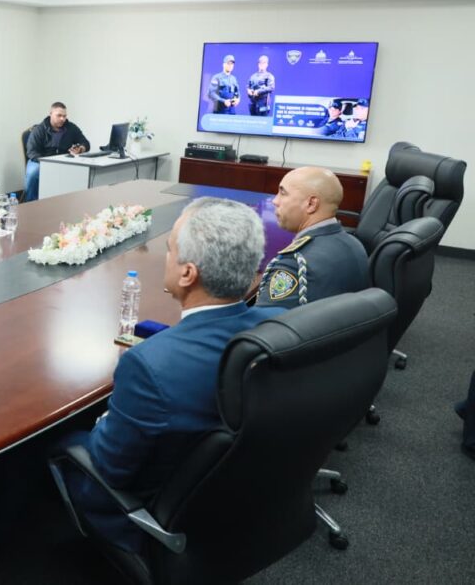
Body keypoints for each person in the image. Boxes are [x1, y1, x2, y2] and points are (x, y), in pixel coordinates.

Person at [58, 198, 283, 553]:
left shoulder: (149, 367)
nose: (166, 256)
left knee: (54, 441)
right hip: (239, 499)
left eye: (169, 249)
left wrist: (101, 419)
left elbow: (110, 466)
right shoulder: (280, 325)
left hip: (154, 515)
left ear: (187, 273)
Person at [255, 166, 369, 308]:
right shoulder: (355, 244)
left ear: (311, 204)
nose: (275, 201)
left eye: (283, 193)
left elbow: (265, 320)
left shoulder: (294, 265)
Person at [24, 101, 90, 202]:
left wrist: (80, 149)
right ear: (50, 114)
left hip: (62, 161)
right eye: (59, 115)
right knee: (33, 173)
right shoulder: (39, 129)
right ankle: (30, 203)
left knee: (80, 170)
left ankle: (69, 201)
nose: (62, 119)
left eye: (64, 116)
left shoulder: (71, 128)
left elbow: (85, 143)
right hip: (40, 161)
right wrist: (47, 163)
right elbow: (31, 152)